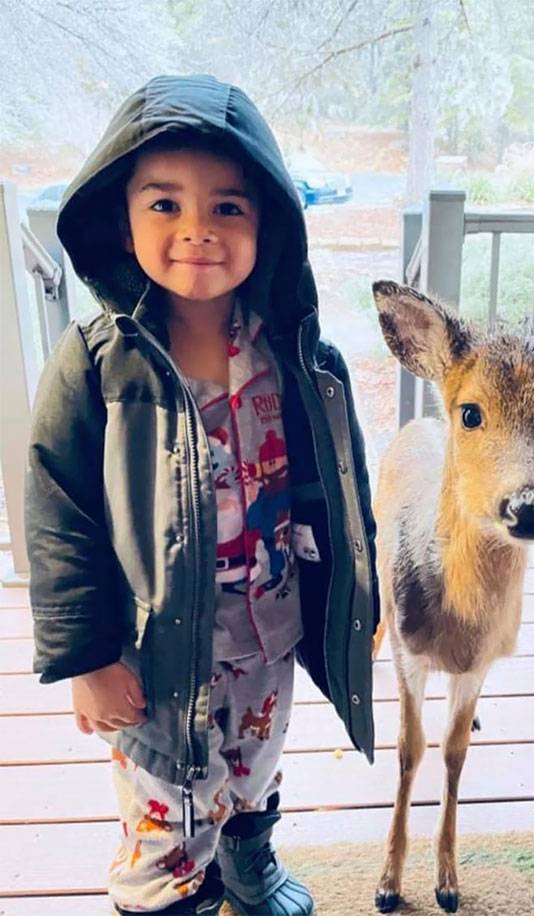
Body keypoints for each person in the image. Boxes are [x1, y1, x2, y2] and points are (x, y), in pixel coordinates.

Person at [25, 73, 379, 916]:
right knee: (168, 804)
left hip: (269, 628)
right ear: (122, 219)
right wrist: (86, 657)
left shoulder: (300, 360)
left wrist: (362, 602)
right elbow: (56, 513)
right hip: (152, 649)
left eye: (227, 207)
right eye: (164, 205)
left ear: (269, 225)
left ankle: (250, 862)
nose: (197, 232)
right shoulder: (98, 364)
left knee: (254, 767)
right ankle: (166, 898)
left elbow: (341, 493)